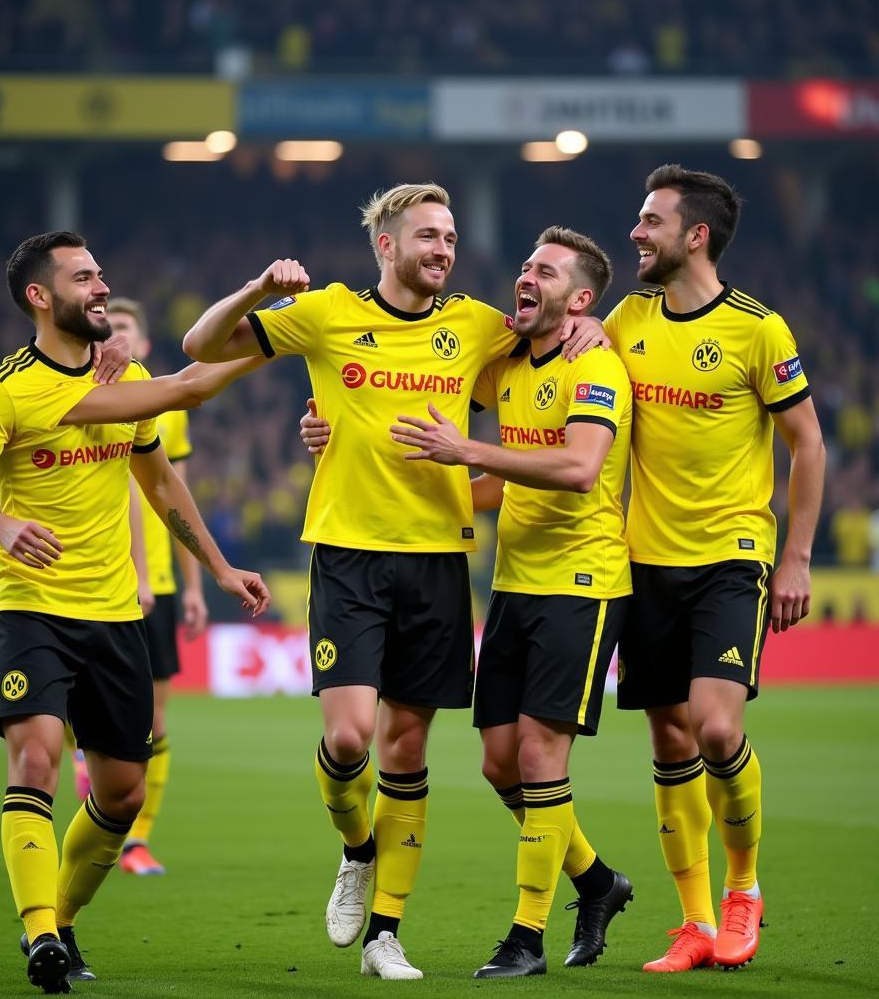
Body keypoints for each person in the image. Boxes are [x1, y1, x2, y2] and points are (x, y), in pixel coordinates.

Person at [181, 183, 607, 980]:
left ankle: (385, 935)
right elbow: (202, 345)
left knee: (405, 749)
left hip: (440, 562)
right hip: (347, 554)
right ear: (387, 245)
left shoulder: (475, 326)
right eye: (428, 237)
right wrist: (259, 289)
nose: (444, 249)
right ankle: (357, 850)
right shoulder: (329, 313)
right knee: (348, 740)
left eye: (449, 237)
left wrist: (591, 321)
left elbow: (555, 330)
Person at [0, 231, 270, 995]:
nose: (100, 288)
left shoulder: (127, 380)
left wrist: (217, 568)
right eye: (84, 278)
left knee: (121, 791)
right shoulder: (5, 389)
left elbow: (160, 484)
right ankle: (42, 935)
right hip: (32, 610)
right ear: (40, 297)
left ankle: (62, 921)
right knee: (36, 759)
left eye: (100, 275)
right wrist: (0, 524)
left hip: (117, 613)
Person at [302, 227, 636, 977]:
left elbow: (580, 468)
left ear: (580, 300)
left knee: (542, 757)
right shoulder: (508, 363)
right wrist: (344, 438)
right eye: (524, 264)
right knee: (497, 764)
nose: (524, 276)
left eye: (544, 270)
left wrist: (468, 451)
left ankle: (527, 937)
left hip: (582, 582)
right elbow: (424, 397)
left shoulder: (598, 365)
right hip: (514, 579)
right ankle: (596, 881)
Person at [605, 166, 825, 972]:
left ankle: (743, 891)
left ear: (694, 235)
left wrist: (794, 555)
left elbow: (808, 442)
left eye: (650, 220)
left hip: (731, 556)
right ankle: (695, 923)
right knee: (668, 741)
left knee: (716, 726)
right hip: (644, 560)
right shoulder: (625, 319)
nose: (636, 232)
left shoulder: (758, 329)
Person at [106, 297, 208, 876]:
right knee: (85, 717)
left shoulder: (166, 409)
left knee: (156, 719)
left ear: (143, 346)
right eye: (110, 326)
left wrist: (192, 587)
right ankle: (100, 810)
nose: (116, 335)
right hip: (97, 577)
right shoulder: (80, 396)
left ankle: (136, 839)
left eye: (127, 328)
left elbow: (178, 495)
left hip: (159, 586)